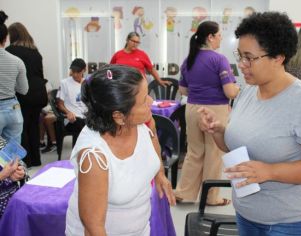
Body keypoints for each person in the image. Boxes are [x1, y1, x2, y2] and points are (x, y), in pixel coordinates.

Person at [199, 12, 301, 235]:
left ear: (278, 58)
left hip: (291, 219)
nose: (241, 65)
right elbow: (234, 146)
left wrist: (270, 171)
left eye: (249, 58)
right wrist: (219, 130)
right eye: (239, 55)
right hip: (248, 212)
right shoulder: (248, 92)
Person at [65, 64, 175, 235]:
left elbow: (151, 136)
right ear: (119, 116)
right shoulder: (94, 157)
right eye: (145, 98)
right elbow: (94, 228)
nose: (151, 102)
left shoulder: (141, 120)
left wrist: (159, 172)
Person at [174, 21, 239, 206]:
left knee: (194, 152)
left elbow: (183, 90)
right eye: (219, 35)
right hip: (215, 110)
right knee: (214, 153)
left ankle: (184, 192)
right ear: (210, 37)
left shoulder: (189, 60)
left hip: (192, 109)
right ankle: (211, 197)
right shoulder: (219, 60)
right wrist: (239, 90)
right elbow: (230, 92)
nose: (220, 39)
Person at [6, 22, 48, 167]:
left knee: (21, 128)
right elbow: (41, 74)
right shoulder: (35, 51)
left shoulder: (10, 51)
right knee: (34, 126)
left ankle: (26, 161)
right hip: (39, 93)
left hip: (23, 93)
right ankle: (36, 159)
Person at [0, 11, 28, 144]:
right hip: (13, 109)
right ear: (6, 38)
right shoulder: (17, 61)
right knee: (12, 154)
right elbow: (24, 90)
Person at [57, 58, 87, 144]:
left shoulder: (87, 83)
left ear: (84, 70)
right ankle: (77, 154)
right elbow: (60, 104)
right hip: (71, 119)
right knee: (82, 127)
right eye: (73, 71)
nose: (75, 74)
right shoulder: (64, 83)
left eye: (78, 72)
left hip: (85, 117)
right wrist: (68, 112)